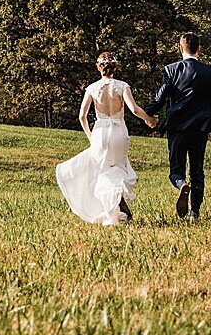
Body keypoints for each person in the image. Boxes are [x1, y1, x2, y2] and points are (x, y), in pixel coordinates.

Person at [143, 32, 211, 221]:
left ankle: (181, 185)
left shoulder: (171, 70)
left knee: (176, 169)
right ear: (199, 49)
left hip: (177, 128)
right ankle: (194, 213)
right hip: (200, 129)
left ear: (181, 48)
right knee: (197, 170)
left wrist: (147, 115)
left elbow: (159, 98)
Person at [56, 52, 152, 226]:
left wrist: (91, 137)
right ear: (115, 67)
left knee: (103, 171)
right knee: (120, 167)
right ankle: (118, 199)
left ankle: (114, 209)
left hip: (100, 133)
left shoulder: (92, 89)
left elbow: (82, 116)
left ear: (98, 67)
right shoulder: (122, 86)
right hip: (119, 132)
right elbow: (134, 109)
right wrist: (149, 119)